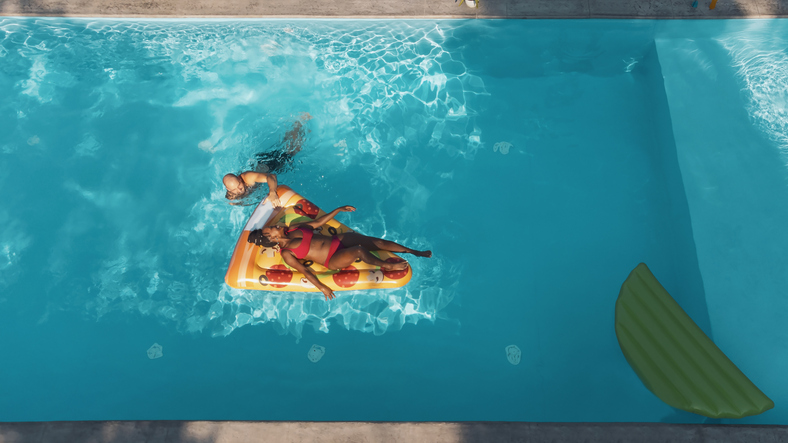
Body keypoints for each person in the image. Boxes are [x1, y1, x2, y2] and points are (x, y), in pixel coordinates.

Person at [247, 206, 432, 300]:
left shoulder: (292, 228)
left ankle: (414, 251)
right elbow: (305, 271)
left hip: (337, 241)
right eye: (270, 230)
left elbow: (318, 224)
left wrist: (339, 209)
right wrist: (322, 287)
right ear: (272, 240)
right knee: (359, 250)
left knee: (376, 242)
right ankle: (387, 265)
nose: (274, 226)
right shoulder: (286, 253)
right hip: (332, 259)